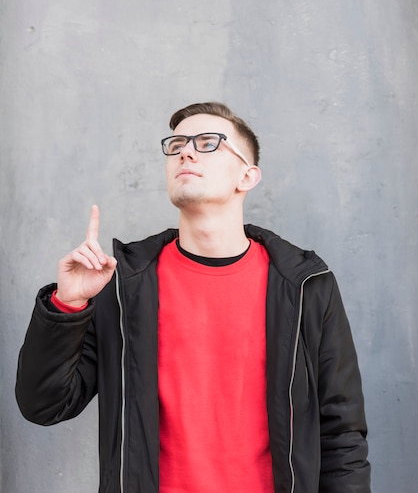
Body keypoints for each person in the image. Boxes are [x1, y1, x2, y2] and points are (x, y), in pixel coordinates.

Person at [16, 101, 371, 493]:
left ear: (247, 176)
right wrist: (69, 306)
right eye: (177, 144)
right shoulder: (122, 284)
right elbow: (44, 405)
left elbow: (342, 434)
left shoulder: (305, 285)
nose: (185, 150)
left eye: (208, 143)